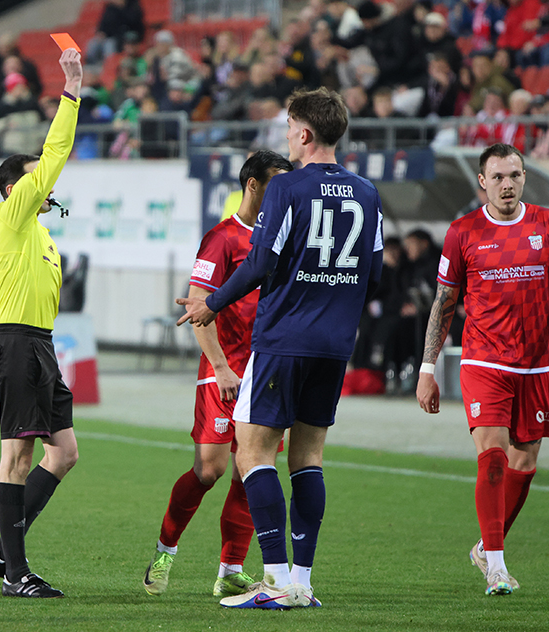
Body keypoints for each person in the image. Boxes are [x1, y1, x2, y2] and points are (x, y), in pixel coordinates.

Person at [177, 87, 384, 609]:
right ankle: (302, 583)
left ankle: (273, 581)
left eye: (290, 128)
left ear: (306, 133)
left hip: (284, 339)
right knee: (309, 456)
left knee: (253, 452)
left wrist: (211, 303)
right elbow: (375, 272)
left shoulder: (287, 188)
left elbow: (260, 263)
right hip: (335, 345)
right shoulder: (366, 192)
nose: (287, 137)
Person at [416, 143, 549, 596]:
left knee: (523, 462)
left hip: (534, 364)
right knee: (492, 455)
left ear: (524, 176)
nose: (507, 184)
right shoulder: (463, 231)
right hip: (484, 360)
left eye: (514, 175)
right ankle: (496, 566)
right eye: (498, 177)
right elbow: (444, 303)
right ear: (482, 182)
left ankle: (484, 546)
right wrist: (427, 367)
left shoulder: (547, 224)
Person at [142, 150, 294, 599]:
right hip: (224, 371)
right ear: (253, 185)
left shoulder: (283, 239)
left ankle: (231, 568)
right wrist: (222, 366)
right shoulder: (223, 238)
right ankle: (165, 550)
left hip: (266, 370)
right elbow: (198, 306)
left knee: (253, 468)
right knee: (209, 470)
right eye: (276, 184)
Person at [0, 48, 82, 599]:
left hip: (40, 346)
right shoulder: (9, 217)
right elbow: (54, 155)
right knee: (16, 456)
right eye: (32, 179)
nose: (45, 186)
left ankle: (4, 550)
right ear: (13, 190)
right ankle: (16, 575)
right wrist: (71, 91)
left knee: (63, 453)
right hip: (15, 343)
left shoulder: (41, 233)